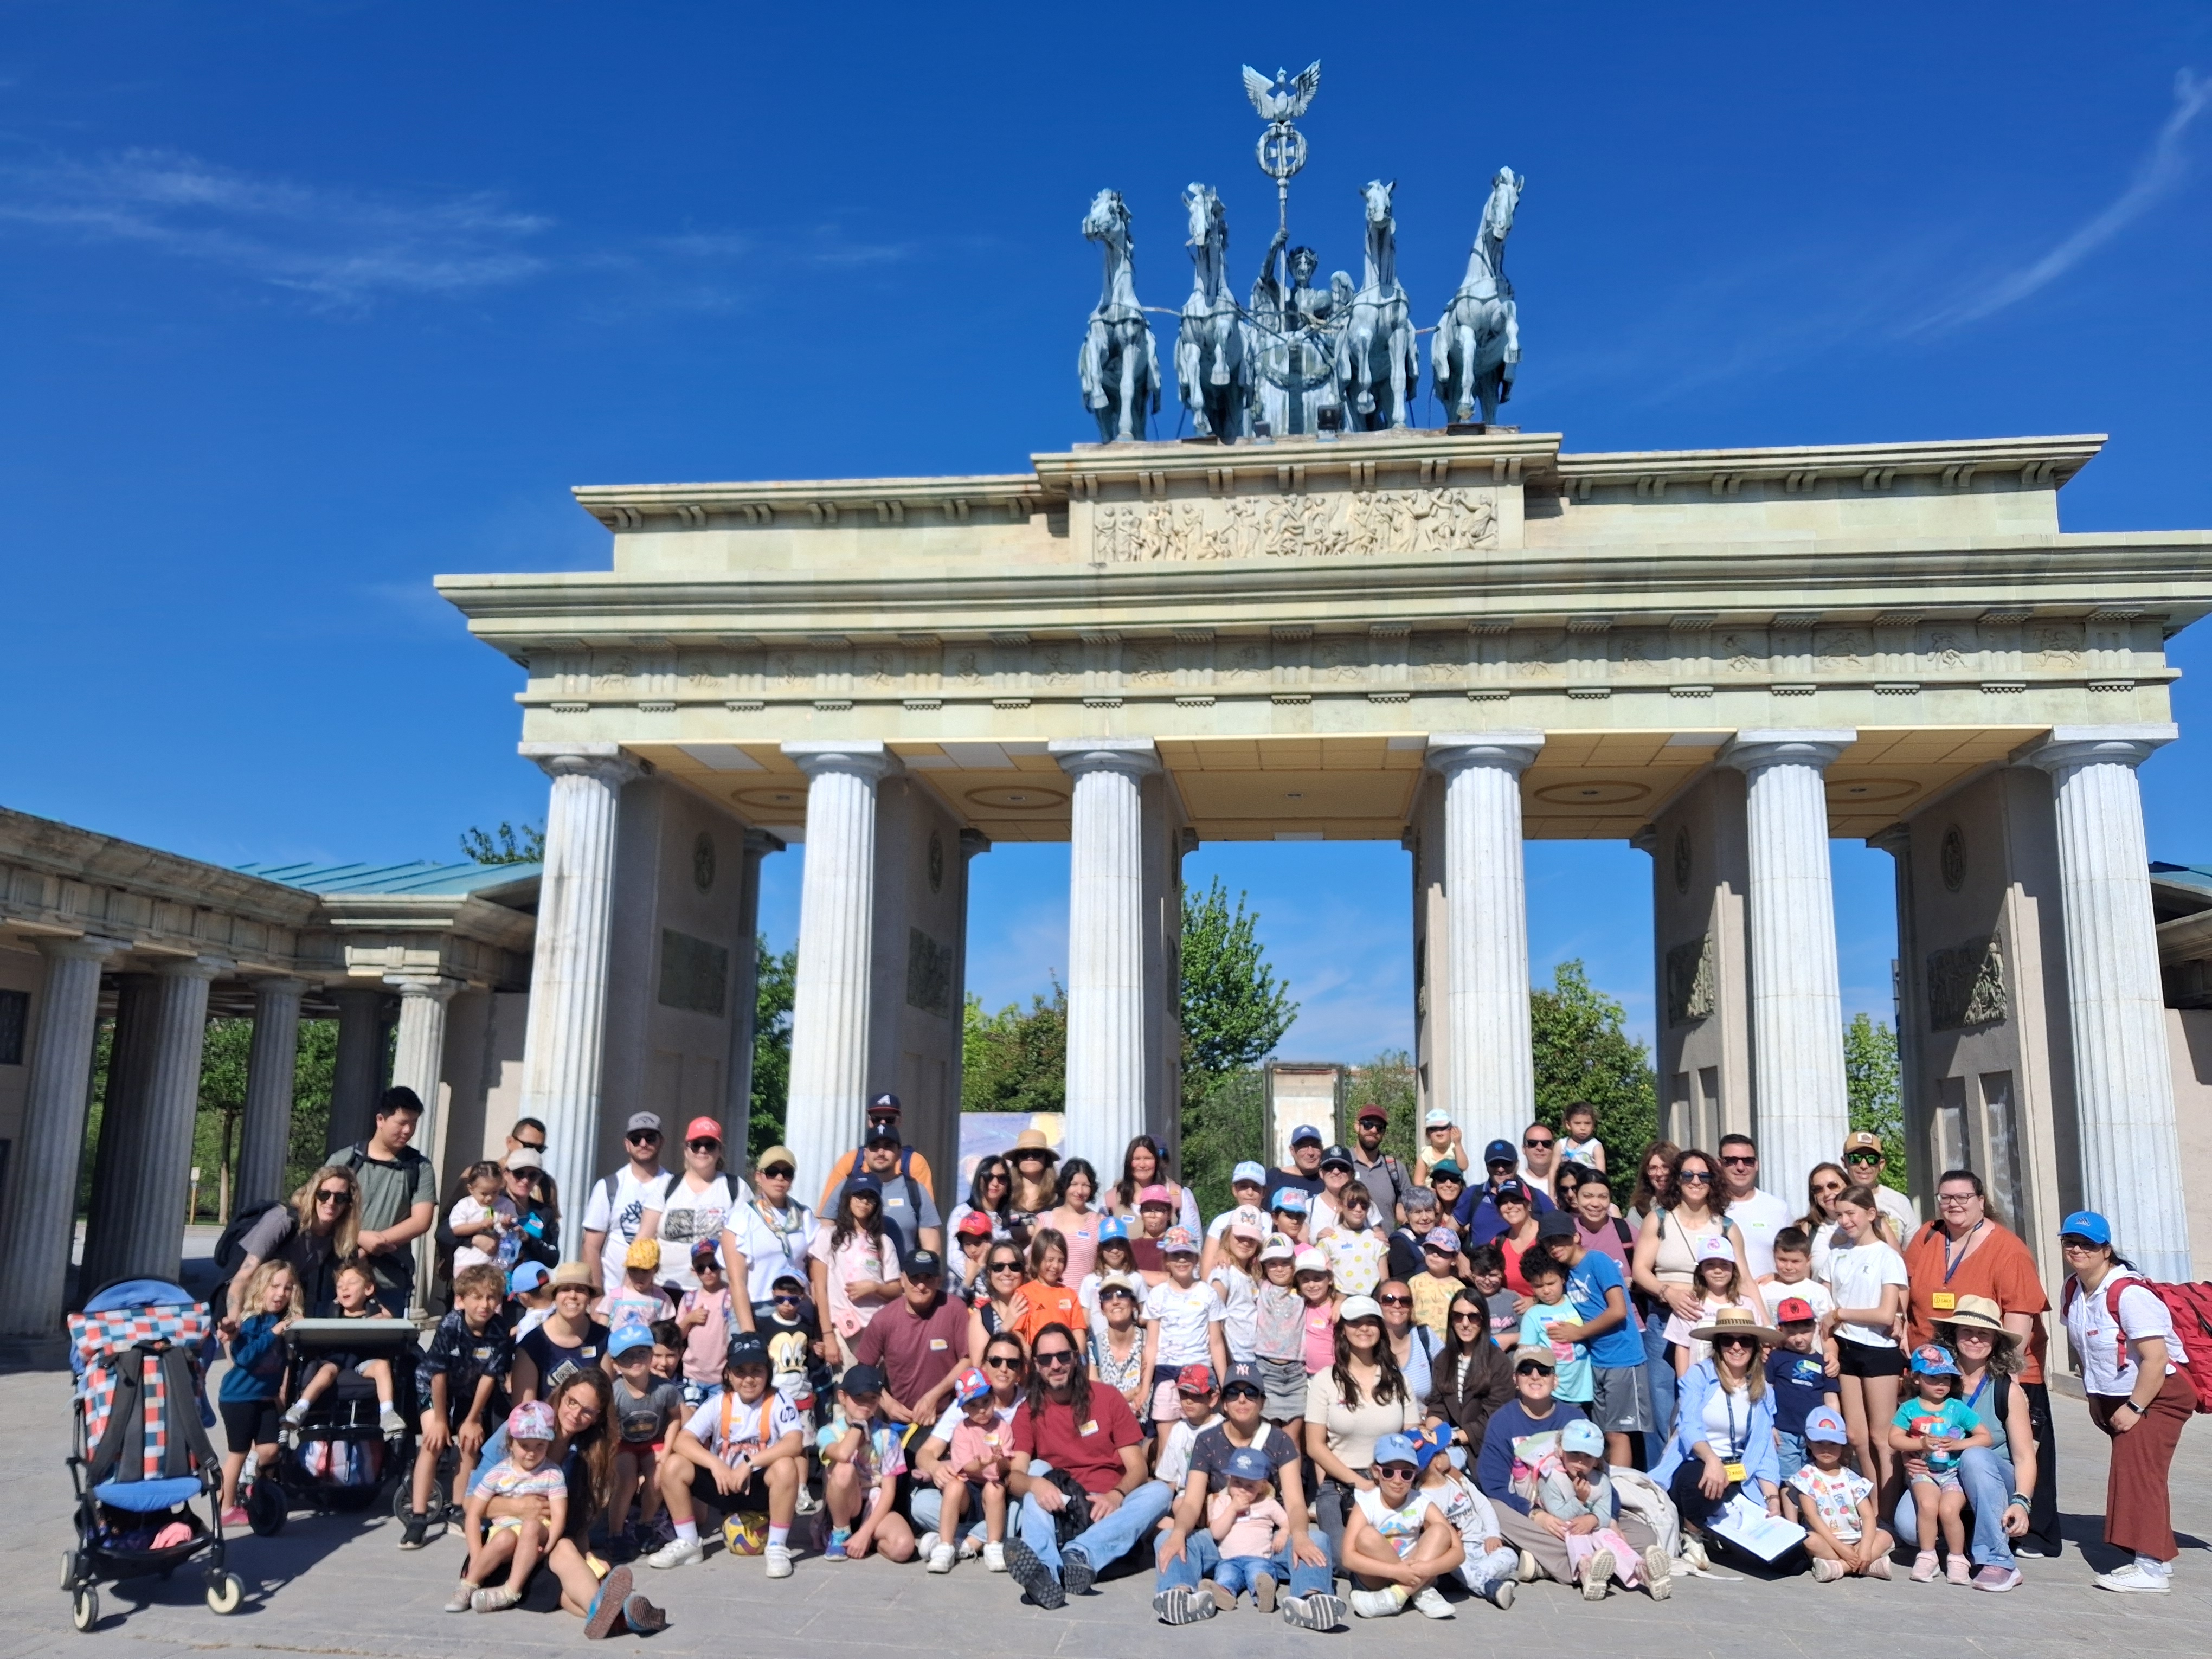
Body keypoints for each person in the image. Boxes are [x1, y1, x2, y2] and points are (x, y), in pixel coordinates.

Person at [1901, 1167, 2060, 1556]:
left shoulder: (2008, 1249)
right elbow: (1905, 1288)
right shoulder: (1927, 1235)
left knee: (2010, 1451)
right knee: (1949, 1447)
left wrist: (2000, 1377)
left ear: (1981, 1200)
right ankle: (1958, 1526)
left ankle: (2031, 1530)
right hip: (1941, 1371)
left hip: (1997, 1370)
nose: (1953, 1205)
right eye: (1945, 1197)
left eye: (1962, 1198)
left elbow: (2019, 1319)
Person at [1151, 1358, 1342, 1630]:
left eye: (1251, 1392)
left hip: (1267, 1544)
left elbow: (1296, 1503)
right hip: (1220, 1542)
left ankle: (1310, 1599)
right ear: (1224, 1402)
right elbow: (1192, 1502)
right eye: (1233, 1393)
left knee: (1318, 1539)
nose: (1242, 1399)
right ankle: (1181, 1595)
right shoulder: (1206, 1441)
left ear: (1263, 1401)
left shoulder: (1280, 1441)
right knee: (1166, 1540)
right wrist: (1179, 1533)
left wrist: (1298, 1534)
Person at [2060, 1209, 2193, 1594]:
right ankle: (2157, 1560)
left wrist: (2134, 1408)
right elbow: (2088, 1349)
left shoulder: (2129, 1293)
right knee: (2141, 1472)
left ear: (2106, 1249)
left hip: (2158, 1394)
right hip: (2121, 1396)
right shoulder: (2074, 1288)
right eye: (2071, 1242)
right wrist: (2095, 1397)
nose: (2078, 1249)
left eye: (2088, 1244)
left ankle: (2150, 1570)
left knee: (2137, 1473)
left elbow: (2156, 1359)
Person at [1003, 1320, 1175, 1608]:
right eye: (1046, 1359)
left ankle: (1078, 1555)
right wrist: (1035, 1484)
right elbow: (1014, 1476)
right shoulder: (1028, 1410)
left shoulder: (1107, 1398)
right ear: (1036, 1365)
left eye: (1063, 1356)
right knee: (1035, 1471)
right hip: (1063, 1510)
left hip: (1108, 1513)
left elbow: (1138, 1468)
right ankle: (1045, 1572)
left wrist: (1116, 1496)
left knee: (1160, 1492)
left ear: (1076, 1357)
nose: (1055, 1365)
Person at [1476, 1342, 1662, 1585]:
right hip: (1532, 1515)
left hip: (1581, 1513)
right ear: (1515, 1379)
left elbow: (1602, 1476)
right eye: (1526, 1370)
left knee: (1644, 1535)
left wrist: (1604, 1519)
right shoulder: (1503, 1421)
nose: (1535, 1376)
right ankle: (1589, 1562)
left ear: (1555, 1380)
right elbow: (1495, 1486)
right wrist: (1535, 1515)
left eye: (1544, 1371)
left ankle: (1551, 1564)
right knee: (1494, 1510)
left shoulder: (1575, 1418)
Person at [647, 1331, 807, 1578]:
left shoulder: (779, 1399)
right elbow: (683, 1440)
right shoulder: (719, 1402)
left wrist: (749, 1463)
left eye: (757, 1370)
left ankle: (777, 1547)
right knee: (674, 1465)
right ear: (729, 1375)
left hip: (760, 1486)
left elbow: (795, 1442)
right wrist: (715, 1465)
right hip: (723, 1485)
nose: (749, 1379)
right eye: (741, 1371)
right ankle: (688, 1542)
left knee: (787, 1465)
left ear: (768, 1372)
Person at [1631, 1144, 1757, 1454]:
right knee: (1662, 1401)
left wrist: (1764, 1328)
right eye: (1688, 1174)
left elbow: (1746, 1278)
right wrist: (1668, 1293)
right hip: (1664, 1318)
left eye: (1703, 1175)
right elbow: (1640, 1270)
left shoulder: (1726, 1226)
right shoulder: (1658, 1220)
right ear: (1677, 1179)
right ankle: (1660, 1481)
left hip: (1714, 1322)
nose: (1696, 1181)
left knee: (1711, 1397)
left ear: (1714, 1181)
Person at [1918, 1293, 2040, 1591]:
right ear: (1952, 1335)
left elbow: (2025, 1456)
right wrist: (1915, 1455)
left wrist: (2022, 1502)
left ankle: (2000, 1561)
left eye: (1984, 1333)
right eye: (1967, 1331)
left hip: (1995, 1477)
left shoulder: (2005, 1390)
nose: (1975, 1339)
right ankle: (1964, 1536)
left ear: (1996, 1341)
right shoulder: (1935, 1381)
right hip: (1942, 1476)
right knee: (1910, 1529)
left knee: (1975, 1455)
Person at [401, 1262, 513, 1548]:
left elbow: (490, 1376)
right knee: (433, 1442)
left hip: (469, 1389)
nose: (485, 1305)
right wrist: (440, 1420)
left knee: (469, 1441)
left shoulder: (500, 1329)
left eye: (491, 1298)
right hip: (433, 1385)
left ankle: (459, 1509)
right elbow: (438, 1375)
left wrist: (473, 1419)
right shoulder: (451, 1325)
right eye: (477, 1297)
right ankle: (418, 1517)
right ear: (462, 1299)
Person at [1302, 1295, 1422, 1564]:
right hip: (1342, 1484)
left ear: (1381, 1329)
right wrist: (1361, 1484)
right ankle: (1408, 1577)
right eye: (1355, 1322)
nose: (1364, 1329)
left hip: (1393, 1479)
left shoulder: (1398, 1379)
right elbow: (1314, 1446)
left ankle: (1399, 1580)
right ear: (1343, 1329)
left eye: (1371, 1322)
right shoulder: (1325, 1380)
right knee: (1344, 1560)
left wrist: (1389, 1482)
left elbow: (1412, 1438)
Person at [1652, 1307, 1785, 1547]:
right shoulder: (1699, 1376)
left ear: (1755, 1347)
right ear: (1718, 1345)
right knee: (1701, 1483)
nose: (1736, 1347)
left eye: (1744, 1341)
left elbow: (1763, 1450)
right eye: (1728, 1340)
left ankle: (1713, 1532)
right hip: (1698, 1464)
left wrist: (1773, 1497)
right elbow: (1689, 1425)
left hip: (1739, 1473)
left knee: (1788, 1559)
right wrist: (1712, 1460)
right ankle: (1691, 1537)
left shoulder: (1765, 1391)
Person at [1539, 1208, 1651, 1467]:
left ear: (1576, 1236)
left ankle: (1623, 1495)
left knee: (1618, 1434)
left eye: (1561, 1239)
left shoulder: (1598, 1261)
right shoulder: (1568, 1273)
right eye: (1549, 1242)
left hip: (1623, 1358)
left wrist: (1578, 1333)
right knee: (1602, 1433)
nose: (1555, 1247)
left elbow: (1619, 1310)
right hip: (1598, 1361)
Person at [912, 1333, 1027, 1565]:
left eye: (1012, 1363)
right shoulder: (963, 1407)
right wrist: (936, 1468)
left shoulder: (1027, 1403)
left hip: (1004, 1486)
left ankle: (963, 1541)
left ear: (1021, 1370)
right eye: (996, 1361)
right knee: (922, 1504)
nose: (1004, 1369)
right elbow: (925, 1454)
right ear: (984, 1365)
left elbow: (1015, 1467)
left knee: (1026, 1504)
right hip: (969, 1490)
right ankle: (979, 1539)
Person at [1826, 1182, 1910, 1497]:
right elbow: (1825, 1304)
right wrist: (1833, 1329)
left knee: (1881, 1435)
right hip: (1846, 1347)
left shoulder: (1887, 1256)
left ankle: (1890, 1507)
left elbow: (1886, 1314)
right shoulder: (1837, 1255)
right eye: (1840, 1215)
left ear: (1870, 1213)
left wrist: (1841, 1314)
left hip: (1878, 1349)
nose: (1845, 1221)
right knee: (1857, 1435)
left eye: (1851, 1213)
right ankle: (1872, 1506)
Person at [453, 1401, 567, 1613]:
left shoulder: (553, 1473)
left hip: (538, 1532)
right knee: (504, 1537)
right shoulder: (499, 1473)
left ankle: (511, 1590)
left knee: (531, 1526)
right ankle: (469, 1583)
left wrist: (548, 1547)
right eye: (525, 1446)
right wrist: (477, 1555)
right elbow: (474, 1513)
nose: (532, 1453)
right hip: (505, 1532)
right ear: (511, 1443)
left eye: (540, 1445)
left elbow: (559, 1515)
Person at [1890, 1342, 1989, 1582]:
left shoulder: (1957, 1408)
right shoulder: (1908, 1409)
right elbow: (1894, 1439)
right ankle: (1927, 1557)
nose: (1941, 1384)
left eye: (1946, 1378)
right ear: (1916, 1379)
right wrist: (1921, 1445)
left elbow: (1985, 1436)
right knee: (1928, 1506)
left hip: (1954, 1473)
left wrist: (1957, 1445)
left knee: (1949, 1510)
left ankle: (1957, 1559)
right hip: (1924, 1471)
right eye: (1933, 1378)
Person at [1341, 1432, 1463, 1620]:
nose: (1398, 1480)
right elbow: (1348, 1558)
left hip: (1417, 1569)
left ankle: (1399, 1594)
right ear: (1376, 1472)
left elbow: (1458, 1552)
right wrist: (1397, 1571)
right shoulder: (1366, 1503)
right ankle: (1417, 1591)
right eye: (1389, 1472)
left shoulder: (1421, 1501)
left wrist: (1428, 1569)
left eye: (1406, 1474)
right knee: (1366, 1536)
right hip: (1378, 1576)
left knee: (1441, 1531)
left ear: (1415, 1474)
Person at [1540, 1416, 1664, 1600]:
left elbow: (1606, 1513)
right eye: (1574, 1453)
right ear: (1561, 1451)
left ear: (1597, 1460)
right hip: (1564, 1529)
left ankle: (1642, 1570)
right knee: (1576, 1533)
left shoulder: (1601, 1481)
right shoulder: (1551, 1479)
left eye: (1588, 1456)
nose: (1581, 1462)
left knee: (1609, 1536)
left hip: (1593, 1526)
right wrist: (1580, 1501)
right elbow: (1557, 1513)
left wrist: (1594, 1519)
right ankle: (1587, 1569)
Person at [215, 1259, 300, 1527]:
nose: (280, 1294)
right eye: (274, 1286)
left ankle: (258, 1491)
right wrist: (274, 1333)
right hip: (238, 1398)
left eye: (287, 1288)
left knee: (270, 1451)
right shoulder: (251, 1322)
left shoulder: (285, 1323)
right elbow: (245, 1358)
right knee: (238, 1453)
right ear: (261, 1288)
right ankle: (226, 1508)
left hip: (264, 1399)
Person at [851, 1248, 970, 1429]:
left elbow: (968, 1361)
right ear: (903, 1280)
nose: (921, 1286)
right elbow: (862, 1371)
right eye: (915, 1278)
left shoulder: (955, 1308)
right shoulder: (883, 1319)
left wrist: (934, 1396)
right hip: (901, 1422)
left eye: (928, 1278)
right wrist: (886, 1402)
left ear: (939, 1280)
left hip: (950, 1418)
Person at [345, 1086, 439, 1316]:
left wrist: (377, 1242)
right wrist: (359, 1238)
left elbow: (421, 1221)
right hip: (344, 1279)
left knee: (384, 1347)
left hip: (391, 1279)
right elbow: (320, 1212)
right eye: (402, 1122)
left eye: (414, 1123)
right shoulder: (345, 1160)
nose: (408, 1130)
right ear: (381, 1120)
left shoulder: (420, 1167)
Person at [224, 1163, 361, 1318]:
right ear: (313, 1194)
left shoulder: (339, 1237)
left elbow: (355, 1280)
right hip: (240, 1302)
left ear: (348, 1204)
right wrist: (233, 1320)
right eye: (324, 1194)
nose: (331, 1202)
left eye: (340, 1197)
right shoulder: (282, 1221)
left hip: (277, 1308)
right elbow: (243, 1277)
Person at [285, 1261, 403, 1431]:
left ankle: (387, 1413)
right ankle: (301, 1406)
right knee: (327, 1371)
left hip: (364, 1360)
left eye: (352, 1283)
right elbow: (310, 1324)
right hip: (336, 1359)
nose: (344, 1289)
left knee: (382, 1365)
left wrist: (384, 1319)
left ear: (368, 1289)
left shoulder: (376, 1313)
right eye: (340, 1286)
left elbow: (392, 1327)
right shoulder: (330, 1312)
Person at [817, 1362, 916, 1562]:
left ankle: (865, 1540)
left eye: (872, 1399)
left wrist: (865, 1533)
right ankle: (840, 1533)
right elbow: (843, 1454)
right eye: (858, 1398)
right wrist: (858, 1427)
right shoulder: (829, 1433)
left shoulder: (888, 1436)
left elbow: (889, 1490)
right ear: (843, 1397)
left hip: (875, 1504)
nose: (865, 1405)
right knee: (844, 1469)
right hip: (845, 1505)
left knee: (904, 1548)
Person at [638, 1117, 749, 1296]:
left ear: (720, 1150)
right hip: (666, 1288)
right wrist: (628, 1288)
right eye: (696, 1145)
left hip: (718, 1291)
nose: (703, 1150)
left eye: (710, 1145)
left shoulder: (736, 1188)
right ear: (686, 1150)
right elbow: (644, 1238)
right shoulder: (667, 1186)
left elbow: (745, 1243)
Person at [923, 1366, 1013, 1573]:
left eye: (985, 1402)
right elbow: (968, 1467)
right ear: (963, 1409)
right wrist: (984, 1461)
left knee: (996, 1489)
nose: (981, 1410)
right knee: (953, 1487)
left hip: (992, 1488)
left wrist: (999, 1461)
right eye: (973, 1405)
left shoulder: (1003, 1428)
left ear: (994, 1399)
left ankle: (993, 1545)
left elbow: (1006, 1468)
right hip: (969, 1486)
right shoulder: (962, 1430)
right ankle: (945, 1546)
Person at [1790, 1406, 1893, 1581]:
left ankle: (1839, 1568)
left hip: (1856, 1539)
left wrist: (1866, 1548)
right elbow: (1811, 1515)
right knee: (1809, 1540)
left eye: (1833, 1444)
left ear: (1843, 1444)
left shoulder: (1852, 1478)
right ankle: (1867, 1566)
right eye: (1819, 1443)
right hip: (1828, 1541)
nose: (1826, 1449)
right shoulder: (1806, 1477)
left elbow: (1868, 1516)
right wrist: (1842, 1549)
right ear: (1808, 1443)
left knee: (1885, 1536)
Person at [718, 1143, 812, 1333]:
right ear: (759, 1176)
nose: (780, 1178)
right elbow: (736, 1281)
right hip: (755, 1309)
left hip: (794, 1307)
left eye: (787, 1173)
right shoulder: (741, 1217)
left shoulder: (804, 1216)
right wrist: (748, 1332)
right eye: (772, 1171)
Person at [605, 1321, 684, 1546]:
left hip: (654, 1441)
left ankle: (645, 1524)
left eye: (642, 1352)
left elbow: (675, 1417)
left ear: (652, 1353)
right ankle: (616, 1534)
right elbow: (609, 1427)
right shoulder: (615, 1393)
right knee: (627, 1481)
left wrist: (667, 1449)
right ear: (615, 1364)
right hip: (624, 1444)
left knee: (658, 1476)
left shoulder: (665, 1389)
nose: (636, 1360)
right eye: (627, 1356)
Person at [811, 1173, 901, 1364]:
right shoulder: (827, 1237)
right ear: (848, 1198)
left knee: (873, 1390)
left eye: (870, 1197)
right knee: (845, 1389)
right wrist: (828, 1335)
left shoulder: (884, 1242)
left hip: (877, 1330)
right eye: (859, 1196)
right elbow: (819, 1288)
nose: (864, 1202)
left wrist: (874, 1287)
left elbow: (896, 1289)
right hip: (841, 1330)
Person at [1142, 1229, 1230, 1423]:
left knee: (1200, 1433)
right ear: (1167, 1261)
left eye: (1187, 1254)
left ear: (1196, 1259)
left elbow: (1216, 1343)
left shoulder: (1208, 1294)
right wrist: (1145, 1387)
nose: (1182, 1260)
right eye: (1176, 1254)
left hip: (1199, 1368)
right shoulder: (1158, 1294)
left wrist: (1225, 1386)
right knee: (1166, 1434)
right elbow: (1151, 1345)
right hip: (1166, 1370)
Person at [581, 1113, 672, 1296]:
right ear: (627, 1144)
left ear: (661, 1141)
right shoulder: (609, 1186)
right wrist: (597, 1298)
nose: (644, 1144)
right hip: (614, 1296)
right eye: (636, 1139)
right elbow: (591, 1247)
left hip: (660, 1298)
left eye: (650, 1138)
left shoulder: (674, 1186)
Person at [814, 1091, 939, 1217]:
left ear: (900, 1120)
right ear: (869, 1121)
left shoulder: (915, 1163)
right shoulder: (850, 1161)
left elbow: (927, 1217)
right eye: (876, 1119)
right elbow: (826, 1215)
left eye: (890, 1120)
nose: (883, 1124)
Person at [1425, 1287, 1515, 1457]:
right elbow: (1438, 1407)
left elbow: (1495, 1417)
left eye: (1473, 1317)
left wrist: (1452, 1438)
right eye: (1458, 1317)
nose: (1465, 1324)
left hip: (1486, 1449)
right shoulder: (1443, 1360)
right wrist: (1433, 1437)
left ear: (1483, 1320)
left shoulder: (1499, 1363)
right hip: (1449, 1444)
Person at [1201, 1446, 1290, 1607]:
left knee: (1259, 1575)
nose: (1242, 1490)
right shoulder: (1224, 1502)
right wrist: (1233, 1509)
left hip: (1258, 1558)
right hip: (1229, 1560)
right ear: (1229, 1480)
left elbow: (1287, 1522)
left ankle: (1263, 1596)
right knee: (1226, 1577)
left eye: (1250, 1486)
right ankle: (1223, 1595)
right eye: (1237, 1482)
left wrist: (1283, 1533)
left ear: (1262, 1486)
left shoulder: (1268, 1504)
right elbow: (1216, 1533)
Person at [511, 1261, 612, 1402]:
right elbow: (523, 1412)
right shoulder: (532, 1344)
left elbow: (606, 1397)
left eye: (581, 1290)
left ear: (589, 1298)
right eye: (565, 1289)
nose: (572, 1295)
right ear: (555, 1297)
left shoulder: (603, 1337)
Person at [1765, 1296, 1840, 1483]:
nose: (1799, 1339)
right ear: (1780, 1330)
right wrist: (1769, 1425)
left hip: (1815, 1434)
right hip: (1783, 1431)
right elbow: (1766, 1392)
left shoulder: (1825, 1362)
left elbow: (1831, 1399)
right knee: (1788, 1480)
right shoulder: (1776, 1357)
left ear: (1815, 1327)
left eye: (1805, 1331)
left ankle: (1809, 1513)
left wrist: (1832, 1431)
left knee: (1815, 1479)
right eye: (1791, 1332)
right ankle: (1790, 1514)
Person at [1664, 1235, 1759, 1373]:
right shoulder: (1688, 1304)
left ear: (1734, 1269)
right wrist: (1684, 1384)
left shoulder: (1747, 1304)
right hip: (1699, 1381)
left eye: (1724, 1264)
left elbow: (1756, 1344)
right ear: (1701, 1270)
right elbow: (1682, 1347)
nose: (1718, 1270)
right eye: (1710, 1264)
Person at [1517, 1251, 1591, 1410]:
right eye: (1538, 1286)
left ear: (1563, 1279)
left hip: (1586, 1389)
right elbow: (1525, 1353)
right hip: (1554, 1393)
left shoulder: (1578, 1303)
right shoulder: (1533, 1314)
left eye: (1551, 1283)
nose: (1546, 1291)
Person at [1715, 1133, 1793, 1281]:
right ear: (1719, 1164)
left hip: (1768, 1299)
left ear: (1756, 1164)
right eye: (1731, 1161)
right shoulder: (1708, 1208)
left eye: (1748, 1161)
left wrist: (1777, 1277)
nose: (1740, 1167)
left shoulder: (1778, 1208)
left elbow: (1796, 1259)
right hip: (1720, 1301)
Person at [1250, 1235, 1308, 1429]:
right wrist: (1223, 1254)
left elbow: (1328, 1283)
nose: (1279, 1268)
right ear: (1264, 1267)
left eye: (1285, 1263)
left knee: (1291, 1442)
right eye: (1272, 1264)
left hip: (1296, 1373)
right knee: (1268, 1435)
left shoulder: (1303, 1290)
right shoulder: (1260, 1286)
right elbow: (1240, 1261)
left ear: (1294, 1264)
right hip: (1265, 1370)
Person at [1458, 1142, 1555, 1243]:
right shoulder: (1474, 1194)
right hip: (1481, 1258)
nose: (1500, 1169)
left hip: (1528, 1258)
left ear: (1517, 1164)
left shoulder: (1537, 1196)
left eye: (1507, 1164)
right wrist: (1461, 1258)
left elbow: (1558, 1231)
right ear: (1487, 1166)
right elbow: (1450, 1231)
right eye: (1494, 1164)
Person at [1109, 1134, 1203, 1234]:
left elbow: (1194, 1240)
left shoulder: (1179, 1196)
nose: (1142, 1165)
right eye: (1136, 1159)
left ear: (1157, 1162)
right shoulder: (1112, 1199)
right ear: (1129, 1162)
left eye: (1148, 1158)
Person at [673, 1243, 731, 1404]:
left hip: (721, 1377)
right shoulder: (689, 1299)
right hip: (692, 1376)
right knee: (691, 1422)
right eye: (701, 1268)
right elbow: (677, 1336)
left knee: (718, 1423)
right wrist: (688, 1319)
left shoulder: (731, 1296)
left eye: (713, 1266)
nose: (707, 1271)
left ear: (722, 1266)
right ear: (694, 1271)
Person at [1012, 1227, 1082, 1349]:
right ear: (1038, 1259)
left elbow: (1078, 1330)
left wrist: (1079, 1356)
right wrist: (1027, 1351)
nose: (1055, 1266)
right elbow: (1017, 1331)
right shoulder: (1024, 1293)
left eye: (1061, 1260)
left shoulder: (1070, 1295)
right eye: (1050, 1260)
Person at [1315, 1182, 1388, 1297]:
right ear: (1340, 1205)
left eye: (1364, 1205)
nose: (1359, 1209)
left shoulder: (1376, 1239)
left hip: (1372, 1301)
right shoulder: (1328, 1240)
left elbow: (1385, 1284)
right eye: (1352, 1204)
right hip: (1340, 1301)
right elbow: (1321, 1279)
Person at [1207, 1214, 1263, 1362]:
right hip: (1232, 1357)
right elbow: (1213, 1320)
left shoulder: (1254, 1274)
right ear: (1228, 1237)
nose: (1246, 1242)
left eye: (1252, 1239)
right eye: (1240, 1237)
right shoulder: (1223, 1271)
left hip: (1252, 1357)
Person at [1089, 1274, 1148, 1415]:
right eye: (1107, 1297)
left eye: (1122, 1294)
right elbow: (1097, 1398)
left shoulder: (1149, 1342)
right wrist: (1133, 1392)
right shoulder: (1093, 1347)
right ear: (1102, 1307)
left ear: (1134, 1303)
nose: (1115, 1301)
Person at [1841, 1130, 1919, 1236]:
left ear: (1881, 1164)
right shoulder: (1835, 1204)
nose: (1864, 1165)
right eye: (1856, 1158)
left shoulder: (1900, 1202)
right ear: (1845, 1162)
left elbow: (1914, 1249)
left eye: (1872, 1159)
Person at [1349, 1104, 1413, 1226]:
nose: (1374, 1131)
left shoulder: (1396, 1169)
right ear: (1357, 1126)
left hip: (1387, 1244)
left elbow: (1412, 1211)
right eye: (1367, 1125)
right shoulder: (1342, 1166)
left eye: (1380, 1127)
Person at [968, 1239, 1032, 1361]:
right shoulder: (982, 1317)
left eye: (1015, 1266)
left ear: (1023, 1271)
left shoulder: (1036, 1306)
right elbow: (979, 1366)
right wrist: (1005, 1328)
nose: (1007, 1273)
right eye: (999, 1267)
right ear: (989, 1272)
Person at [1043, 1158, 1103, 1287]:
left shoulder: (1099, 1222)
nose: (1080, 1191)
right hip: (1051, 1301)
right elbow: (1034, 1265)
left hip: (1085, 1303)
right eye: (1074, 1184)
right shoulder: (1046, 1220)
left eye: (1085, 1185)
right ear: (1064, 1185)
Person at [448, 1160, 516, 1273]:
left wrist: (507, 1224)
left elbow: (514, 1229)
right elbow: (457, 1229)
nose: (489, 1198)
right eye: (484, 1194)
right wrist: (481, 1225)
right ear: (471, 1189)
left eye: (495, 1192)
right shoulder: (465, 1205)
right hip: (469, 1264)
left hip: (497, 1265)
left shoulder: (506, 1205)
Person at [1377, 1279, 1438, 1402]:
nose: (1397, 1305)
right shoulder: (1370, 1343)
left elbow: (1449, 1380)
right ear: (1378, 1305)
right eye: (1389, 1299)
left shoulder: (1425, 1337)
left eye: (1405, 1301)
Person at [1567, 1165, 1635, 1274]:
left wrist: (1632, 1284)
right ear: (1576, 1196)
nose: (1595, 1204)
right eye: (1587, 1196)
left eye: (1603, 1197)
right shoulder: (1566, 1234)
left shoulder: (1627, 1232)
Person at [598, 1238, 676, 1328]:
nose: (639, 1277)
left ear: (656, 1269)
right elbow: (601, 1329)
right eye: (633, 1270)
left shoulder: (662, 1298)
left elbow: (665, 1332)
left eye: (645, 1271)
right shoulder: (615, 1296)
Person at [1406, 1228, 1465, 1339]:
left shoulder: (1459, 1288)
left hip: (1447, 1347)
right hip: (1420, 1344)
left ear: (1454, 1259)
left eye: (1442, 1252)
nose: (1435, 1255)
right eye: (1430, 1249)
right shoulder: (1415, 1282)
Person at [948, 1154, 1019, 1245]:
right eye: (989, 1177)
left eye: (1002, 1178)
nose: (995, 1183)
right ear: (979, 1180)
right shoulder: (963, 1212)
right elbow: (955, 1257)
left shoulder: (1004, 1218)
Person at [1488, 1180, 1542, 1295]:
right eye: (1504, 1202)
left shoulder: (1546, 1236)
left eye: (1516, 1200)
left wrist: (1534, 1301)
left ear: (1529, 1205)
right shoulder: (1498, 1242)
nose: (1510, 1206)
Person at [1386, 1188, 1447, 1283]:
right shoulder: (1400, 1242)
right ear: (1407, 1215)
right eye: (1418, 1212)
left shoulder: (1444, 1236)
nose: (1425, 1218)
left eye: (1428, 1210)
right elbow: (1403, 1282)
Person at [1006, 1130, 1059, 1226]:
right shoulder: (1005, 1193)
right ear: (1017, 1160)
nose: (1030, 1157)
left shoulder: (1059, 1195)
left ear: (1046, 1159)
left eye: (1037, 1153)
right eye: (1024, 1154)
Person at [1269, 1124, 1328, 1199]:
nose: (1311, 1153)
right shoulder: (1275, 1177)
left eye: (1315, 1146)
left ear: (1322, 1149)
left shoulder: (1329, 1180)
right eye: (1303, 1147)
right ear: (1292, 1150)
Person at [1415, 1109, 1469, 1188]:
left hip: (1453, 1191)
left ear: (1452, 1130)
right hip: (1432, 1195)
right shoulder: (1426, 1155)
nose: (1439, 1131)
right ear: (1428, 1134)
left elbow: (1464, 1166)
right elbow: (1418, 1181)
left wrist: (1458, 1143)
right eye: (1433, 1128)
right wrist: (1428, 1192)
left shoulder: (1455, 1149)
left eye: (1444, 1128)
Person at [1558, 1101, 1606, 1174]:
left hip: (1589, 1184)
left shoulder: (1595, 1146)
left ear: (1593, 1125)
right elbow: (1554, 1170)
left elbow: (1601, 1173)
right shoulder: (1561, 1145)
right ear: (1568, 1125)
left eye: (1588, 1123)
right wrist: (1552, 1186)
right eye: (1578, 1123)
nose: (1583, 1128)